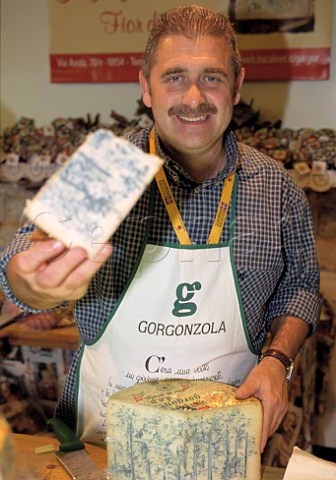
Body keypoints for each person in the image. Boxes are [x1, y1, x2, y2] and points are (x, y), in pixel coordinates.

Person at [0, 5, 321, 450]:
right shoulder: (102, 175)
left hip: (225, 434)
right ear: (145, 88)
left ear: (238, 86)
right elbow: (18, 275)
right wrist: (35, 285)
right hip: (105, 439)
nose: (193, 98)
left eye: (212, 77)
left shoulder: (277, 188)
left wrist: (277, 359)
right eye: (174, 77)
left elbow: (300, 285)